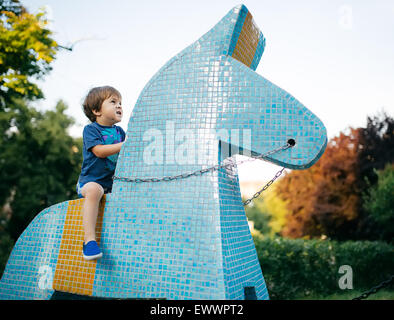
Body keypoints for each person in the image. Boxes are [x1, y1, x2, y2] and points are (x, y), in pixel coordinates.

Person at [76, 86, 126, 260]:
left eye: (120, 102)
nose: (119, 106)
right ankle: (89, 241)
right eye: (113, 102)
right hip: (89, 182)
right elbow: (99, 151)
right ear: (96, 110)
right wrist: (125, 145)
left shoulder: (120, 132)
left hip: (110, 185)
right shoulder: (91, 130)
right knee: (95, 190)